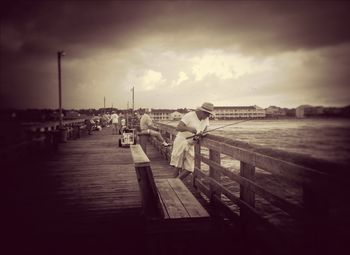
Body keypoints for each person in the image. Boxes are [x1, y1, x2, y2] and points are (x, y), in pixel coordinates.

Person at [170, 102, 214, 180]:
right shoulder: (189, 115)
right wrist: (189, 129)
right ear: (202, 111)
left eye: (209, 114)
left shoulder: (206, 118)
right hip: (181, 141)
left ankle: (176, 182)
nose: (208, 116)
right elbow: (178, 127)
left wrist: (202, 133)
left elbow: (205, 129)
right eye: (207, 114)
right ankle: (173, 183)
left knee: (190, 168)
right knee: (177, 165)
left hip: (191, 143)